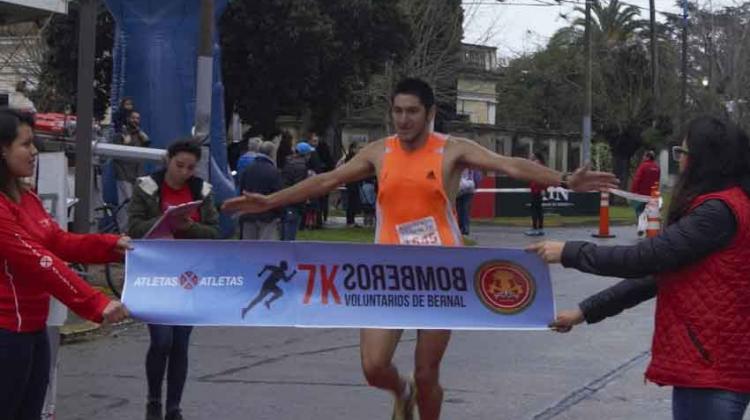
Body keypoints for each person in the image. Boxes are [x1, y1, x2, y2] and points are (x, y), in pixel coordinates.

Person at [223, 78, 617, 420]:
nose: (403, 119)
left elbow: (510, 165)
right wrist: (270, 202)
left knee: (428, 372)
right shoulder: (380, 152)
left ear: (428, 113)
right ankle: (402, 390)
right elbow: (327, 180)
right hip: (386, 273)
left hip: (440, 274)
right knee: (374, 367)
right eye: (397, 111)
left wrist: (564, 178)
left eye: (412, 111)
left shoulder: (452, 149)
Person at [529, 116, 750, 420]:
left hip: (712, 369)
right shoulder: (726, 205)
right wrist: (585, 310)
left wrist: (570, 252)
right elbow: (658, 275)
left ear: (704, 160)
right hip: (711, 365)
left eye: (682, 153)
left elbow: (645, 259)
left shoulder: (717, 211)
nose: (679, 161)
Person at [0, 109, 128, 420]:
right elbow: (39, 261)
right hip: (6, 333)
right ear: (2, 150)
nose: (34, 152)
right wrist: (95, 303)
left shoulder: (24, 197)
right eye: (26, 144)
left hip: (32, 329)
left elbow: (58, 241)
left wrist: (113, 246)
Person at [128, 139, 220, 420]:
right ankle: (154, 400)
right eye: (179, 165)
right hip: (156, 274)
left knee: (180, 342)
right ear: (167, 160)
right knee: (162, 340)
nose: (184, 172)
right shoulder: (147, 187)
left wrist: (190, 227)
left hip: (189, 275)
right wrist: (161, 225)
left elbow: (215, 232)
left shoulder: (202, 192)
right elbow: (133, 228)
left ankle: (174, 407)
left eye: (190, 168)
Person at [113, 110, 151, 229]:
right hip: (124, 174)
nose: (136, 120)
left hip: (137, 175)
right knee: (125, 204)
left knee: (136, 204)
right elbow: (116, 154)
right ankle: (123, 229)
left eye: (138, 118)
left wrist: (139, 132)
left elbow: (147, 142)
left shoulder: (139, 135)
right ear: (128, 119)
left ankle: (134, 229)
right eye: (133, 118)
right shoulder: (120, 134)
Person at [238, 141, 283, 240]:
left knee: (249, 250)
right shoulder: (274, 171)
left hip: (248, 215)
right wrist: (279, 214)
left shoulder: (247, 169)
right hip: (268, 216)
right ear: (272, 153)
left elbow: (241, 190)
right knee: (266, 250)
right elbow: (278, 195)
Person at [279, 142, 315, 240]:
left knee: (283, 232)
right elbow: (299, 187)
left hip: (284, 200)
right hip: (294, 203)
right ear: (306, 154)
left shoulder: (288, 162)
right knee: (290, 234)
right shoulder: (301, 167)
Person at [631, 150, 661, 235]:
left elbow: (637, 179)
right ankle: (650, 227)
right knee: (650, 211)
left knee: (639, 210)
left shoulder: (643, 166)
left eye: (644, 156)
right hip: (652, 194)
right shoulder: (657, 167)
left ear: (647, 157)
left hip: (641, 193)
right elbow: (657, 181)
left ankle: (641, 227)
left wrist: (634, 191)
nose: (643, 158)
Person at [525, 152, 547, 236]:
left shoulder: (538, 166)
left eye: (533, 156)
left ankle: (535, 228)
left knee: (535, 209)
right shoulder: (540, 166)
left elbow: (542, 179)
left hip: (537, 190)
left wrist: (542, 189)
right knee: (538, 209)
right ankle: (539, 228)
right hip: (536, 190)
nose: (531, 157)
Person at [456, 168, 481, 236]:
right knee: (465, 209)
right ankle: (465, 228)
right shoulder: (471, 165)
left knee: (459, 208)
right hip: (469, 188)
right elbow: (477, 177)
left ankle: (461, 228)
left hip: (460, 187)